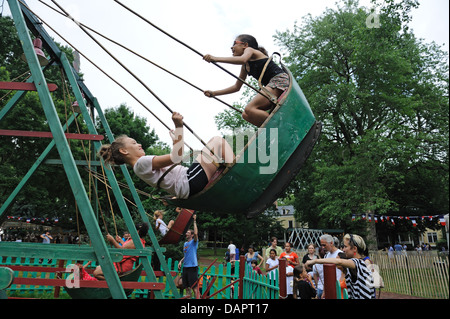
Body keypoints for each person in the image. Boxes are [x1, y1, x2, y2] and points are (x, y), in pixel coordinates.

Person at [98, 112, 234, 199]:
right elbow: (176, 157)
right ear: (124, 151)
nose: (139, 144)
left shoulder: (140, 168)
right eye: (134, 143)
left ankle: (233, 171)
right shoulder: (141, 163)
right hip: (189, 182)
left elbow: (175, 165)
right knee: (217, 141)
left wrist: (175, 141)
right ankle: (239, 172)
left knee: (214, 149)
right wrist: (179, 126)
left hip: (187, 185)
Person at [203, 34, 289, 127]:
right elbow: (236, 87)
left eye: (235, 43)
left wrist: (215, 58)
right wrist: (215, 93)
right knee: (246, 115)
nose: (232, 47)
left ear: (245, 45)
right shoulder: (245, 67)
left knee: (250, 109)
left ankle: (283, 126)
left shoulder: (250, 50)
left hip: (279, 80)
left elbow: (243, 59)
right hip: (271, 86)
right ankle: (274, 129)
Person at [306, 234, 375, 299]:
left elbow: (340, 261)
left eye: (345, 247)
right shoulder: (351, 267)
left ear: (354, 248)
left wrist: (314, 261)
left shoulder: (360, 263)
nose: (343, 250)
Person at [178, 214, 199, 298]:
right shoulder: (185, 244)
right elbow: (186, 255)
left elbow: (196, 233)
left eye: (188, 232)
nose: (186, 233)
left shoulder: (194, 242)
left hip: (192, 267)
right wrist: (181, 261)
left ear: (192, 235)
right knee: (186, 287)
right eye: (186, 232)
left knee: (194, 287)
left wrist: (194, 221)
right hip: (185, 267)